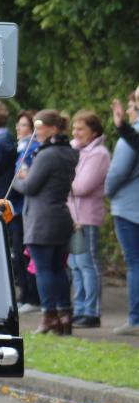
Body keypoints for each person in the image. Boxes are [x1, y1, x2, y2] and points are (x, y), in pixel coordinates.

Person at [12, 110, 79, 335]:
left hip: (42, 219)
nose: (36, 132)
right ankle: (65, 313)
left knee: (43, 270)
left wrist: (20, 178)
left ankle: (49, 314)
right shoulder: (68, 152)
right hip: (61, 216)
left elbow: (30, 187)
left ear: (52, 128)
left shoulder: (47, 155)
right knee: (58, 268)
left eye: (39, 127)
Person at [66, 110, 110, 328]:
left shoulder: (99, 154)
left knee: (87, 264)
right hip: (72, 216)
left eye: (81, 128)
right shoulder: (76, 150)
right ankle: (80, 308)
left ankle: (92, 311)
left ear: (94, 131)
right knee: (74, 264)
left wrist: (63, 179)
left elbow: (82, 186)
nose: (76, 132)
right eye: (74, 128)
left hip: (86, 217)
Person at [106, 87, 139, 335]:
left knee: (135, 264)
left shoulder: (134, 133)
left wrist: (107, 191)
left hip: (129, 208)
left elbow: (117, 172)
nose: (128, 109)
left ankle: (135, 319)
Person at [11, 110, 41, 311]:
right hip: (19, 207)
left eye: (23, 125)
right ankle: (24, 294)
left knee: (26, 254)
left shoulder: (32, 149)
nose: (18, 129)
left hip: (25, 208)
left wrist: (19, 180)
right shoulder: (22, 148)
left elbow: (24, 180)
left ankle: (31, 296)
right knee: (19, 253)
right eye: (18, 124)